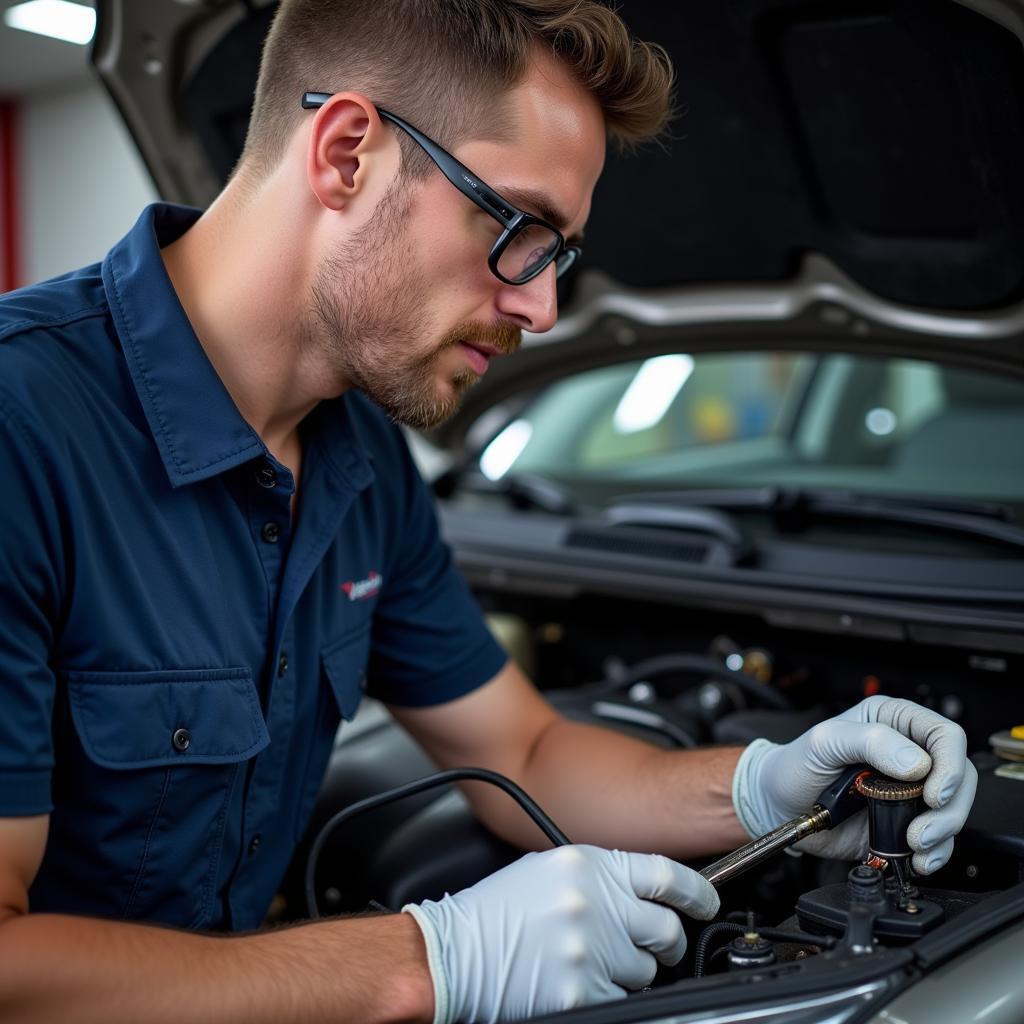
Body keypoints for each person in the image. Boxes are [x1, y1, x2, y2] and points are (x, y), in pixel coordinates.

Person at [0, 1, 977, 1021]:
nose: (540, 308)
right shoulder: (22, 431)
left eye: (559, 255)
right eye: (519, 228)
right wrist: (427, 959)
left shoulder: (362, 457)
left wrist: (764, 786)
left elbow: (521, 752)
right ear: (344, 155)